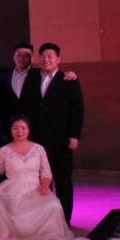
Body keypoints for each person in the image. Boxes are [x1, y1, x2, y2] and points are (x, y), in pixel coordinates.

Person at [23, 42, 84, 223]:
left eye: (50, 56)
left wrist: (74, 135)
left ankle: (64, 220)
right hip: (37, 140)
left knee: (63, 180)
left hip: (61, 140)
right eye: (43, 56)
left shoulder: (69, 80)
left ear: (58, 59)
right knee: (41, 180)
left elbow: (77, 110)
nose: (46, 59)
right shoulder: (32, 78)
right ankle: (45, 219)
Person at [0, 115, 74, 240]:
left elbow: (46, 172)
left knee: (53, 206)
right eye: (15, 128)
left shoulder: (39, 149)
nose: (19, 131)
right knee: (10, 213)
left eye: (23, 128)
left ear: (29, 130)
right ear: (10, 130)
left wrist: (45, 186)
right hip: (12, 189)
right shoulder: (3, 151)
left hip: (35, 188)